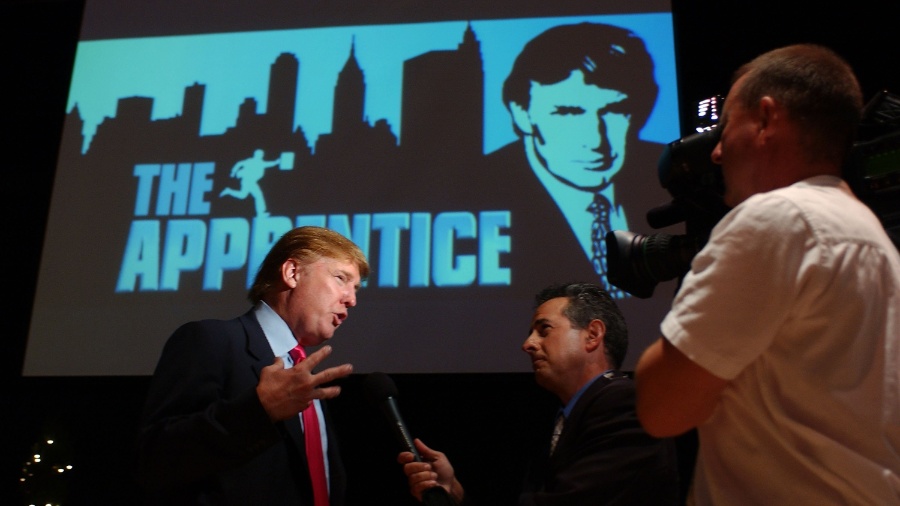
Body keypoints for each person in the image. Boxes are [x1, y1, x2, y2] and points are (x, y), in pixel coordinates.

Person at [634, 44, 900, 505]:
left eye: (726, 127)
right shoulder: (871, 236)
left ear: (766, 118)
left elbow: (662, 407)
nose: (716, 152)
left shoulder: (777, 218)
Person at [137, 226, 369, 505]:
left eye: (355, 289)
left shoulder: (303, 374)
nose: (352, 300)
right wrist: (259, 409)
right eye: (341, 279)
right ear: (292, 273)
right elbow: (156, 459)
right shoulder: (212, 341)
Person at [397, 282, 680, 505]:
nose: (528, 344)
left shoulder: (626, 406)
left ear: (593, 335)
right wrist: (455, 493)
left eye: (544, 330)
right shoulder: (561, 421)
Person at [481, 22, 672, 297]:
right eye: (568, 113)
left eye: (615, 110)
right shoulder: (474, 189)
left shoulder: (670, 170)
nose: (596, 141)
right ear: (522, 114)